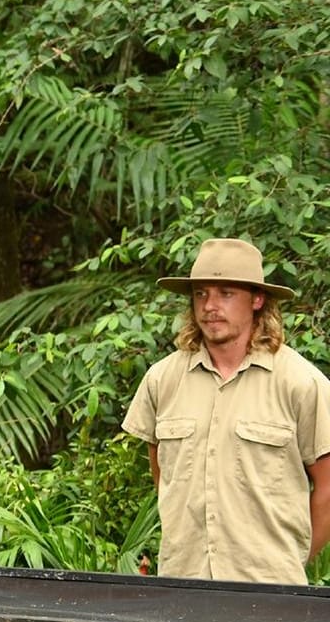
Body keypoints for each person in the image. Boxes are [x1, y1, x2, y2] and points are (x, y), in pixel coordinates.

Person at [122, 237, 330, 585]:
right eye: (201, 293)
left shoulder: (301, 383)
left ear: (257, 299)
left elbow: (328, 487)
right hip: (182, 585)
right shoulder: (163, 380)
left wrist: (290, 561)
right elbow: (164, 476)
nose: (210, 306)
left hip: (269, 591)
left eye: (226, 293)